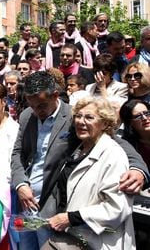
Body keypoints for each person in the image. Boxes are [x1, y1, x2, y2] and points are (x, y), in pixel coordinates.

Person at [11, 71, 148, 249]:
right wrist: (21, 184)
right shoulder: (27, 115)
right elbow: (17, 153)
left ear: (54, 95)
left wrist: (138, 169)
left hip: (51, 209)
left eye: (42, 105)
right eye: (32, 105)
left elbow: (115, 142)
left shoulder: (76, 116)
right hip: (25, 203)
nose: (37, 111)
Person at [47, 97, 135, 249]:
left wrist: (71, 218)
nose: (81, 121)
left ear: (105, 124)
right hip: (70, 236)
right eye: (78, 116)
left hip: (97, 242)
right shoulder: (79, 148)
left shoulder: (113, 155)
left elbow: (117, 208)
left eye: (89, 117)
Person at [120, 100, 150, 168]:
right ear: (130, 123)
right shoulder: (128, 146)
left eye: (147, 113)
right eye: (138, 116)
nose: (144, 118)